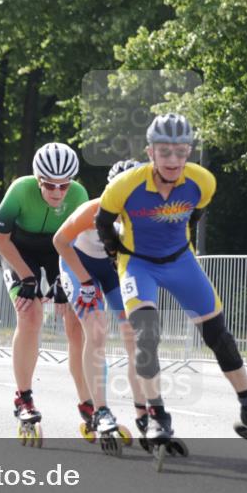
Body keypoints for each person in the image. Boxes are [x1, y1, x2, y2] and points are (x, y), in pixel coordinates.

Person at [95, 113, 247, 446]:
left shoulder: (202, 181)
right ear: (150, 153)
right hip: (138, 265)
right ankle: (157, 415)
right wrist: (116, 254)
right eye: (164, 152)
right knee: (146, 336)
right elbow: (103, 223)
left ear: (188, 151)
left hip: (181, 261)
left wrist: (181, 245)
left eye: (180, 151)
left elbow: (196, 216)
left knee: (219, 335)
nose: (173, 160)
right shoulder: (125, 186)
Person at [0, 142, 89, 439]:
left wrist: (62, 284)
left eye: (63, 185)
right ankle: (23, 398)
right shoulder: (20, 190)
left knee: (76, 324)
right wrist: (26, 277)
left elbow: (79, 243)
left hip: (60, 251)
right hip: (20, 251)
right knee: (31, 315)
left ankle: (88, 404)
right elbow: (0, 236)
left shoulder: (79, 195)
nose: (57, 193)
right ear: (38, 180)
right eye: (49, 185)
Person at [53, 160, 147, 445]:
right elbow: (60, 241)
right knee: (95, 332)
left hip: (112, 269)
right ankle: (100, 410)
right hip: (78, 265)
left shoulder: (144, 214)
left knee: (136, 334)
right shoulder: (92, 210)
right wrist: (82, 282)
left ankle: (143, 411)